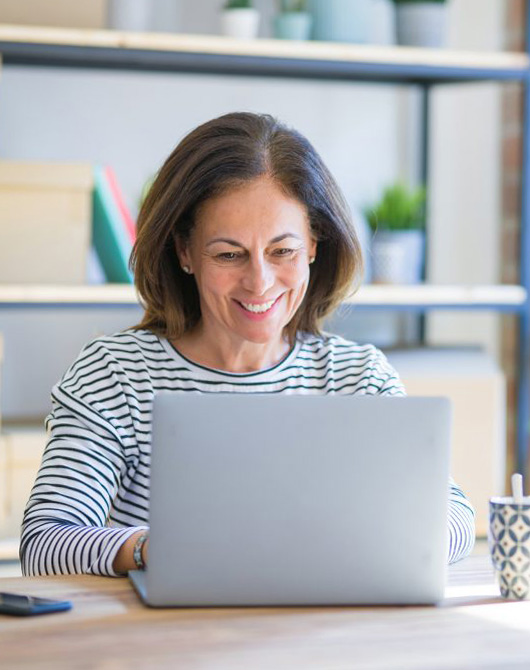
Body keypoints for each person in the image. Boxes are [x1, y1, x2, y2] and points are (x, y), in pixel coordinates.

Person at [20, 112, 475, 577]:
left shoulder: (355, 376)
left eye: (283, 251)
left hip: (322, 636)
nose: (259, 282)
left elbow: (457, 517)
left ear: (315, 245)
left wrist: (389, 539)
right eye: (229, 254)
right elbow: (46, 542)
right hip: (167, 643)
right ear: (184, 252)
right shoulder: (116, 374)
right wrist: (156, 550)